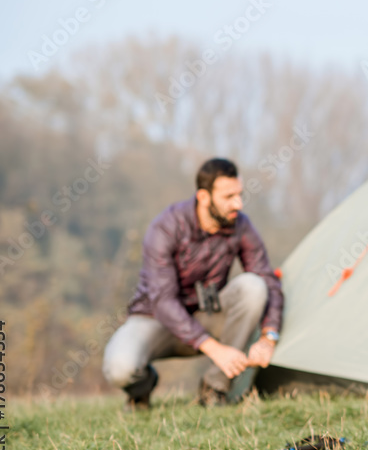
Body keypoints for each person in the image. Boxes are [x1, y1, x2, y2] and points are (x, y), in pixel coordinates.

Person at [103, 158, 284, 409]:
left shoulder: (241, 225)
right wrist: (214, 349)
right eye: (228, 196)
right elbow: (163, 302)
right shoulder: (166, 227)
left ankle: (214, 390)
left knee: (254, 287)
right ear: (204, 196)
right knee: (119, 368)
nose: (238, 204)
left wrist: (269, 336)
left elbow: (267, 279)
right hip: (155, 318)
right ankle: (142, 389)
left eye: (239, 194)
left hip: (207, 315)